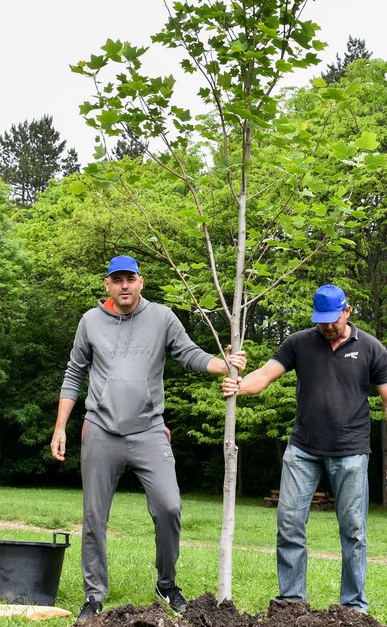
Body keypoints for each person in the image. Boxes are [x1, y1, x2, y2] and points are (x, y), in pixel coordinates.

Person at [51, 255, 245, 622]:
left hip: (149, 429)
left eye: (130, 278)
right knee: (94, 517)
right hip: (100, 430)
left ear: (141, 282)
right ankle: (94, 597)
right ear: (107, 285)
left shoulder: (162, 318)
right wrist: (61, 427)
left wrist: (223, 364)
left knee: (169, 506)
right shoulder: (90, 322)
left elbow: (188, 354)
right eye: (117, 279)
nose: (124, 285)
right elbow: (74, 373)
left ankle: (167, 583)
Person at [220, 284, 387, 613]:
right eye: (321, 320)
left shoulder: (371, 349)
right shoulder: (300, 343)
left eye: (332, 319)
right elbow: (264, 375)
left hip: (350, 451)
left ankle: (353, 607)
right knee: (289, 522)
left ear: (347, 311)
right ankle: (292, 602)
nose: (327, 326)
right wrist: (239, 385)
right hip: (303, 449)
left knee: (354, 530)